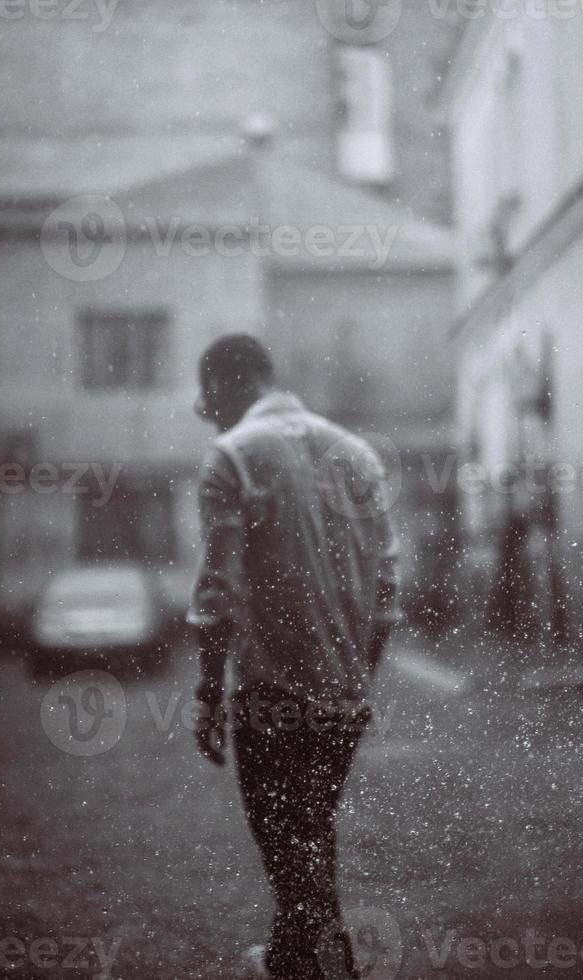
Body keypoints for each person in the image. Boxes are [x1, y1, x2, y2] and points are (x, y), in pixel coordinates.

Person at [188, 334, 400, 980]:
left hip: (271, 694)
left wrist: (205, 692)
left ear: (228, 384)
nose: (213, 417)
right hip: (343, 696)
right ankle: (292, 962)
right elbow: (387, 594)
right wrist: (357, 678)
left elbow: (217, 595)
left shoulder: (233, 457)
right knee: (308, 836)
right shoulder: (358, 455)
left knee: (289, 847)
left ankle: (331, 967)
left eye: (211, 403)